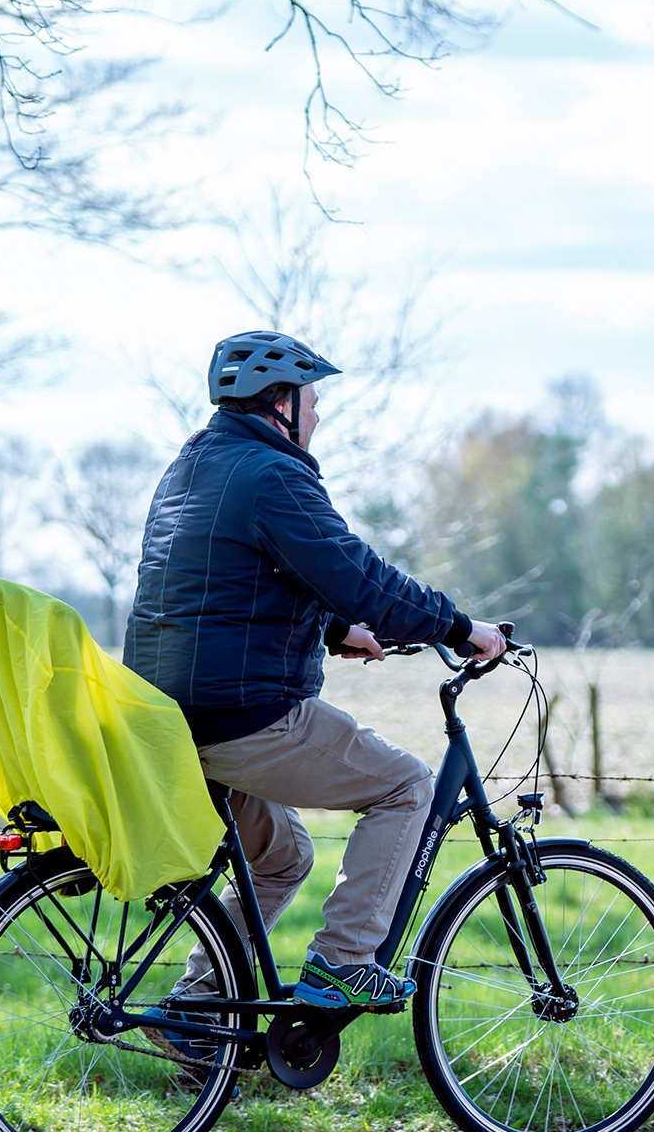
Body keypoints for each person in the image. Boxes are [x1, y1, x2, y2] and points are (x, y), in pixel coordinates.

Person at [121, 330, 507, 1012]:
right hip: (246, 715)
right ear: (279, 403)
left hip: (173, 715)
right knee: (405, 786)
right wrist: (458, 626)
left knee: (283, 857)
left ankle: (198, 1014)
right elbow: (359, 577)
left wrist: (333, 630)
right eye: (313, 398)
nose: (319, 414)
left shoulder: (196, 465)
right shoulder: (273, 474)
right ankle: (344, 961)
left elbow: (221, 582)